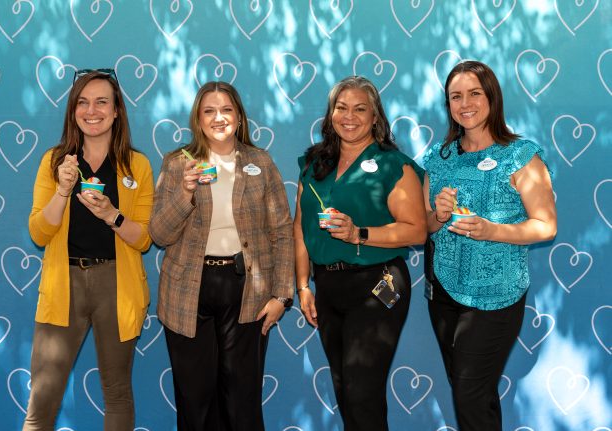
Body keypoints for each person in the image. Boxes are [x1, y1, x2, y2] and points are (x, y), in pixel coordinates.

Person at [149, 81, 294, 431]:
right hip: (188, 288)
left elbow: (282, 231)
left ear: (239, 117)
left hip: (247, 290)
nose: (219, 118)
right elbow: (159, 234)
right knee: (195, 400)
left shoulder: (260, 162)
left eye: (227, 110)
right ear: (198, 120)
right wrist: (185, 192)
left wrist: (281, 294)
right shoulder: (176, 164)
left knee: (241, 400)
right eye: (209, 111)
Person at [422, 60, 557, 431]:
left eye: (474, 93)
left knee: (468, 391)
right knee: (473, 393)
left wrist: (490, 230)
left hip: (497, 295)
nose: (465, 103)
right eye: (455, 96)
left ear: (491, 98)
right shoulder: (436, 158)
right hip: (443, 292)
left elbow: (546, 226)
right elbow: (425, 228)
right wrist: (437, 213)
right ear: (447, 104)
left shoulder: (521, 155)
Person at [294, 76, 427, 430]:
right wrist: (303, 285)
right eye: (341, 107)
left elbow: (416, 229)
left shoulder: (392, 164)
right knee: (344, 388)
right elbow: (300, 227)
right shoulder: (313, 164)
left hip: (380, 282)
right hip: (328, 286)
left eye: (359, 109)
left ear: (375, 118)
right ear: (331, 114)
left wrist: (359, 233)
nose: (349, 116)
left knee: (361, 390)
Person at [24, 69, 154, 430]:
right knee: (43, 398)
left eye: (101, 102)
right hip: (63, 283)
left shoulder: (136, 165)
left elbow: (143, 238)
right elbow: (38, 231)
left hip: (117, 285)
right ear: (73, 111)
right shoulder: (55, 162)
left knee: (117, 393)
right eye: (82, 102)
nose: (91, 110)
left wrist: (112, 215)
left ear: (116, 111)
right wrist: (62, 192)